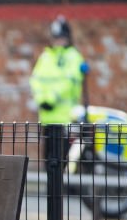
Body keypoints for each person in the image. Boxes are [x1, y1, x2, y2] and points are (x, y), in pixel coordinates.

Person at [30, 17, 88, 159]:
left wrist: (50, 98)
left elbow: (70, 82)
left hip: (66, 119)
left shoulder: (73, 57)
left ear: (68, 38)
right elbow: (35, 80)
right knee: (48, 160)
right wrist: (42, 99)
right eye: (56, 38)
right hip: (47, 118)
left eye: (61, 38)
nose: (58, 41)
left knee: (64, 161)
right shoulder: (46, 56)